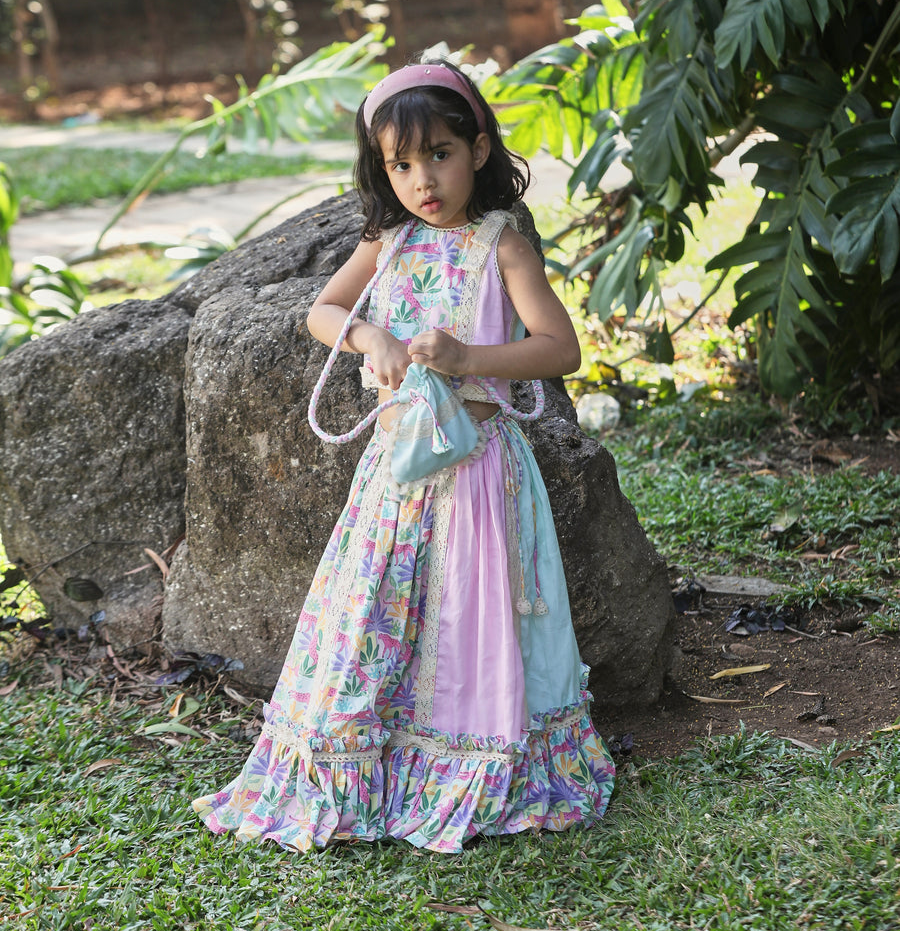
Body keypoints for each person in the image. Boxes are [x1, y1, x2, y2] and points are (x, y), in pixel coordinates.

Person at [192, 52, 615, 853]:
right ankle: (360, 761)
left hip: (479, 468)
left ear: (479, 150)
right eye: (402, 163)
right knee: (376, 614)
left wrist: (468, 358)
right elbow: (322, 310)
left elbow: (562, 349)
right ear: (383, 171)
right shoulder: (387, 242)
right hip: (395, 475)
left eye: (441, 155)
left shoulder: (502, 245)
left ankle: (469, 763)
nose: (424, 179)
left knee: (469, 619)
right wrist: (366, 335)